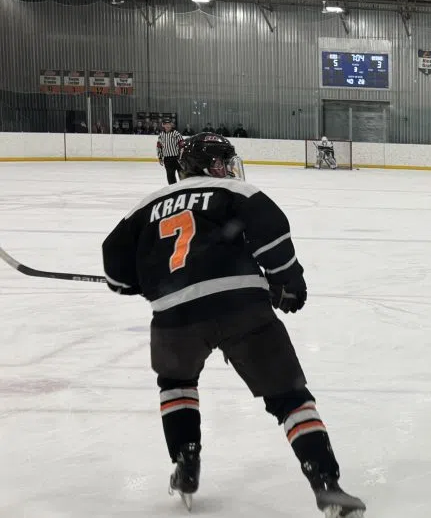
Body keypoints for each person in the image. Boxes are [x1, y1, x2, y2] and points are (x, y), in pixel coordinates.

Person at [100, 133, 365, 517]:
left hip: (174, 315)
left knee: (176, 384)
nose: (227, 168)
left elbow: (115, 264)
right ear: (205, 165)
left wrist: (135, 283)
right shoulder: (235, 192)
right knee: (289, 396)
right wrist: (287, 282)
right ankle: (327, 485)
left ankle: (185, 463)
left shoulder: (146, 207)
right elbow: (271, 230)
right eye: (221, 162)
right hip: (240, 307)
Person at [156, 120, 184, 185]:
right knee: (170, 177)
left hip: (177, 158)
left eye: (169, 124)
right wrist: (160, 157)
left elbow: (182, 145)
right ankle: (174, 189)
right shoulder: (161, 135)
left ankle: (184, 189)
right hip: (167, 159)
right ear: (163, 125)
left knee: (182, 176)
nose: (168, 125)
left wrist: (181, 157)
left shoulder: (176, 134)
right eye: (166, 124)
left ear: (171, 125)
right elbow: (159, 147)